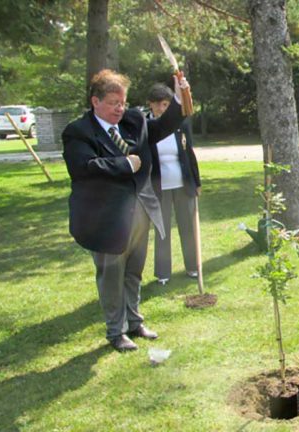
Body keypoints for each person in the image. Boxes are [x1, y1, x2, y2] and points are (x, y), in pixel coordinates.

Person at [62, 69, 190, 351]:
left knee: (134, 272)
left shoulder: (132, 120)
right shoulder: (78, 131)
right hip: (105, 219)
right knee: (111, 276)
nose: (120, 108)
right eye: (113, 103)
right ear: (95, 101)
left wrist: (181, 98)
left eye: (123, 102)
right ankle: (115, 332)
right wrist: (126, 164)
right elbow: (84, 168)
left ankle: (134, 321)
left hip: (140, 211)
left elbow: (160, 128)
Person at [147, 83, 202, 285]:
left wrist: (197, 182)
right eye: (158, 105)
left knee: (188, 227)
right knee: (162, 231)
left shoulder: (182, 124)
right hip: (158, 188)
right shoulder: (145, 127)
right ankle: (163, 273)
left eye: (166, 104)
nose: (162, 109)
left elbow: (190, 154)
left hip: (183, 185)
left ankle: (193, 267)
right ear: (150, 105)